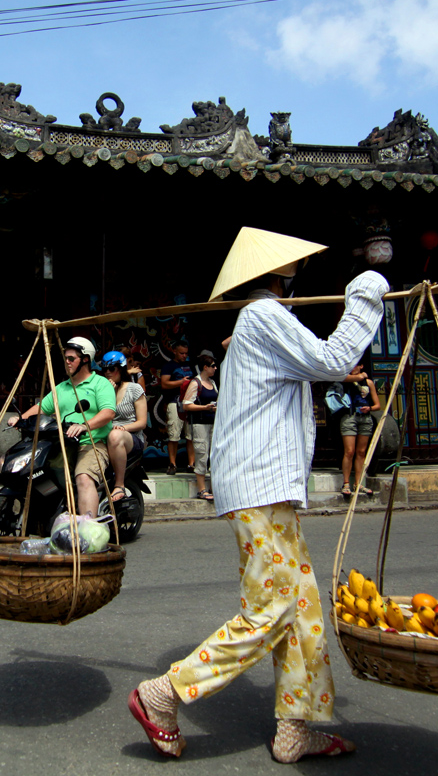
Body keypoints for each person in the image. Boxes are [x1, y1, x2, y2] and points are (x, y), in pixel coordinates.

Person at [129, 226, 387, 763]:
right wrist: (366, 291)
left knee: (301, 606)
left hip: (268, 483)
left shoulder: (262, 321)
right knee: (272, 604)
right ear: (282, 274)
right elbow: (334, 360)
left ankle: (298, 724)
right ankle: (165, 692)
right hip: (257, 483)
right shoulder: (264, 316)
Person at [7, 336, 115, 517]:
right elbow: (42, 407)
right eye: (65, 358)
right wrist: (21, 418)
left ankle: (87, 530)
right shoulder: (62, 387)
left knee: (83, 477)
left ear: (85, 359)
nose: (67, 362)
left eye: (71, 358)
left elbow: (108, 413)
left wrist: (84, 426)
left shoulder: (100, 384)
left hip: (91, 443)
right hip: (63, 445)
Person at [102, 350, 148, 502]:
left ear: (121, 369)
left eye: (112, 368)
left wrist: (123, 428)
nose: (108, 372)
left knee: (115, 436)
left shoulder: (134, 389)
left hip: (130, 437)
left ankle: (119, 484)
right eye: (105, 369)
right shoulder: (101, 390)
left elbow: (142, 422)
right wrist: (106, 391)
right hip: (104, 436)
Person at [335, 363, 380, 496]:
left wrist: (370, 408)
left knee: (361, 452)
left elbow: (377, 405)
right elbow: (345, 379)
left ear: (361, 365)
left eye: (355, 365)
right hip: (350, 416)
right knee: (349, 451)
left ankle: (359, 483)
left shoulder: (368, 383)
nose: (352, 367)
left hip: (365, 418)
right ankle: (346, 483)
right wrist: (361, 376)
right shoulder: (346, 378)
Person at [182, 354, 218, 501]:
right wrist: (205, 407)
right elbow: (186, 404)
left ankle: (213, 487)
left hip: (213, 423)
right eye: (213, 366)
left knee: (214, 455)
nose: (215, 368)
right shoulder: (196, 383)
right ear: (205, 367)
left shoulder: (213, 383)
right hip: (200, 423)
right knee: (202, 454)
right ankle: (201, 488)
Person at [158, 342, 196, 474]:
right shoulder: (169, 366)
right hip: (175, 401)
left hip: (190, 402)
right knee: (174, 434)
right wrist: (181, 382)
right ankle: (172, 464)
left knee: (191, 435)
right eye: (181, 353)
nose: (184, 356)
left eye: (186, 353)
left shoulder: (190, 365)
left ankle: (191, 464)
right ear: (174, 351)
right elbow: (164, 384)